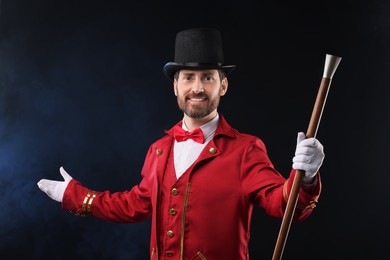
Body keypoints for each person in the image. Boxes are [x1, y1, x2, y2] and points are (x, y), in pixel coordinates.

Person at [37, 28, 324, 260]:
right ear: (176, 86)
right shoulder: (159, 150)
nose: (197, 88)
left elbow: (283, 206)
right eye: (188, 78)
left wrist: (307, 176)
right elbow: (132, 205)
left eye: (208, 78)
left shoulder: (246, 150)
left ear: (222, 86)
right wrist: (73, 195)